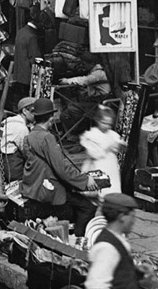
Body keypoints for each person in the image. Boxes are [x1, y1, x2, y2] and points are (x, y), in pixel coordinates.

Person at [18, 98, 99, 235]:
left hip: (34, 185)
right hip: (47, 188)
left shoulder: (29, 136)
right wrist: (85, 181)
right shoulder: (47, 138)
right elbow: (61, 168)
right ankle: (78, 241)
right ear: (51, 118)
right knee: (88, 208)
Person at [9, 16, 42, 107]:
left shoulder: (21, 32)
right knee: (28, 101)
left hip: (19, 73)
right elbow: (35, 57)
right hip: (28, 74)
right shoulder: (32, 36)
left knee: (21, 100)